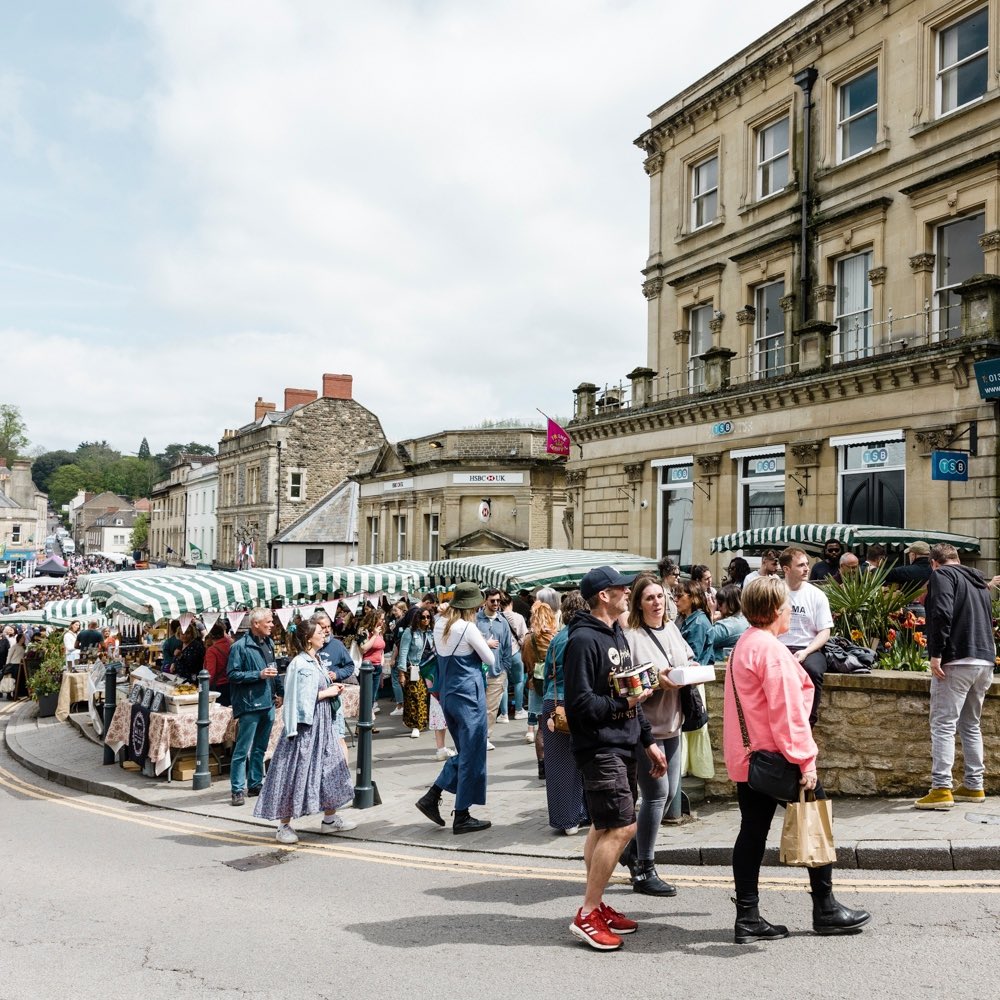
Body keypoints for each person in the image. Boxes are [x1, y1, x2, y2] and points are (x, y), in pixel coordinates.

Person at [724, 576, 871, 942]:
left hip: (749, 759)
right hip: (779, 758)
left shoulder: (745, 644)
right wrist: (806, 761)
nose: (790, 609)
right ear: (776, 610)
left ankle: (748, 917)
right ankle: (826, 908)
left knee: (752, 834)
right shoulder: (772, 651)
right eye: (787, 605)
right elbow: (787, 714)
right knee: (815, 819)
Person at [564, 566, 666, 952]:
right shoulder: (583, 641)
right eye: (620, 587)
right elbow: (579, 705)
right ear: (603, 596)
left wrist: (648, 740)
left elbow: (632, 692)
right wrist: (622, 703)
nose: (628, 591)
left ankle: (596, 903)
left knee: (602, 825)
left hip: (622, 742)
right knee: (623, 827)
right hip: (599, 746)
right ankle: (588, 914)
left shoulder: (617, 634)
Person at [254, 619, 355, 843]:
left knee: (329, 769)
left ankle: (329, 819)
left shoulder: (315, 660)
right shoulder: (300, 664)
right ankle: (284, 826)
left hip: (322, 726)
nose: (324, 634)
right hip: (305, 729)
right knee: (295, 773)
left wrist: (331, 689)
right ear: (309, 638)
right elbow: (300, 699)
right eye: (320, 631)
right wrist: (328, 692)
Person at [623, 573, 692, 896]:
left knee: (670, 793)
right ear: (638, 602)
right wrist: (656, 680)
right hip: (646, 727)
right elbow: (626, 683)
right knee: (655, 794)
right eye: (649, 597)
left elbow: (687, 657)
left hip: (674, 721)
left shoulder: (672, 628)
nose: (656, 602)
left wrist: (691, 671)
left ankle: (630, 849)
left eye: (660, 597)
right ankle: (644, 868)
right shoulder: (631, 635)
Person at [915, 543, 995, 810]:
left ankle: (941, 788)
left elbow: (941, 613)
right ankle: (974, 786)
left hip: (957, 659)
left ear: (934, 563)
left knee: (943, 725)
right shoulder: (978, 581)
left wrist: (936, 653)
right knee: (970, 725)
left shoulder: (941, 576)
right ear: (957, 559)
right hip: (984, 660)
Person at [415, 582, 495, 834]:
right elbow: (490, 660)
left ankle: (437, 799)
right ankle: (457, 813)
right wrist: (483, 642)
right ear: (472, 606)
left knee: (467, 751)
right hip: (469, 695)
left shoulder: (440, 623)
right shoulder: (468, 627)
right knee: (472, 753)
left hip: (448, 693)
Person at [539, 592, 589, 830]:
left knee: (559, 765)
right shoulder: (586, 637)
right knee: (584, 763)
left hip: (554, 703)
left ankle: (564, 819)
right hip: (580, 703)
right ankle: (581, 813)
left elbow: (547, 671)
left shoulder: (557, 639)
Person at [227, 608, 280, 807]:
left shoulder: (269, 643)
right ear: (256, 624)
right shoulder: (239, 647)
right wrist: (258, 675)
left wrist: (279, 692)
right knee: (242, 750)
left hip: (268, 703)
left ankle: (255, 784)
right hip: (249, 704)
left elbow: (274, 669)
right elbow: (232, 675)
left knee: (260, 748)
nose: (272, 625)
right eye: (268, 621)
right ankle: (237, 789)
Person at [777, 546, 833, 726]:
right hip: (779, 647)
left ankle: (808, 722)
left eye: (807, 564)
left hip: (809, 647)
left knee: (814, 671)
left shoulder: (816, 595)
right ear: (786, 569)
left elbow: (825, 630)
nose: (807, 568)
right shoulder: (775, 592)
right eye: (801, 565)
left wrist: (807, 651)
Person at [523, 598, 559, 769]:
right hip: (555, 685)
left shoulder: (528, 639)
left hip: (536, 685)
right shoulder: (555, 638)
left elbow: (527, 663)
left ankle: (542, 766)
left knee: (541, 727)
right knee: (559, 724)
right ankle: (557, 763)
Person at [476, 587, 512, 744]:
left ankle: (485, 737)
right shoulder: (475, 620)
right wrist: (485, 643)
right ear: (485, 601)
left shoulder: (502, 622)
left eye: (498, 600)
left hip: (496, 672)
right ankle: (474, 737)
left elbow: (507, 648)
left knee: (491, 709)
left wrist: (505, 669)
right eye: (493, 601)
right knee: (477, 708)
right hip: (477, 671)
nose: (496, 603)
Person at [398, 607, 434, 738]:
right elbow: (403, 652)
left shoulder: (432, 632)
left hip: (430, 668)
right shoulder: (410, 632)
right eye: (423, 617)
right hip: (414, 668)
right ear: (417, 618)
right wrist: (401, 673)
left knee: (427, 696)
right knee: (415, 697)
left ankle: (423, 721)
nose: (425, 620)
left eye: (428, 617)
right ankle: (416, 726)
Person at [500, 592, 528, 721]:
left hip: (501, 655)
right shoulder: (519, 617)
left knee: (503, 684)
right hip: (516, 652)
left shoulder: (497, 618)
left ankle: (504, 714)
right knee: (519, 681)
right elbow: (524, 636)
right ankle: (518, 710)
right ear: (511, 603)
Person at [708, 584, 749, 662]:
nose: (718, 607)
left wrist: (711, 613)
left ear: (731, 603)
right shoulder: (746, 619)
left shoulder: (726, 626)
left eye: (720, 603)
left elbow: (705, 638)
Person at [675, 581, 713, 665]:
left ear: (692, 598)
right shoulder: (683, 619)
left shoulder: (698, 624)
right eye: (675, 595)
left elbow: (693, 658)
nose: (675, 599)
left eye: (679, 596)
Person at [204, 621, 232, 707]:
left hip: (218, 687)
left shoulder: (212, 650)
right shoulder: (231, 645)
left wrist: (204, 689)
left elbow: (210, 673)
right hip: (231, 685)